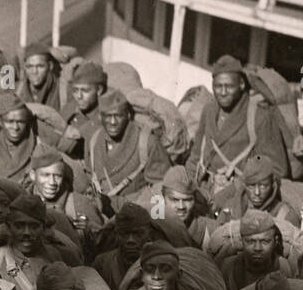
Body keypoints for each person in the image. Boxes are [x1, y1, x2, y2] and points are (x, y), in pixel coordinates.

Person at [190, 56, 288, 190]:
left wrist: (241, 178)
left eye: (229, 86)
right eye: (218, 86)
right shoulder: (209, 110)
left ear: (241, 85)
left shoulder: (259, 116)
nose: (223, 92)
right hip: (204, 190)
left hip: (240, 197)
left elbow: (277, 170)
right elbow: (195, 158)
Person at [85, 90, 170, 204]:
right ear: (101, 117)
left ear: (128, 115)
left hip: (134, 212)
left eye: (118, 116)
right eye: (108, 116)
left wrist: (156, 218)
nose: (113, 122)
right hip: (101, 210)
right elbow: (90, 176)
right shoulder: (93, 140)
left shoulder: (147, 142)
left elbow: (160, 186)